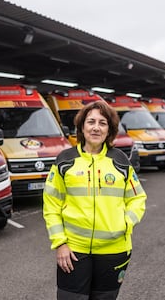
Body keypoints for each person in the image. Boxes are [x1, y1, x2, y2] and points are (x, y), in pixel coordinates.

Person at [43, 100, 147, 300]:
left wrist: (126, 223)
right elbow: (51, 204)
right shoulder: (65, 160)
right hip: (73, 251)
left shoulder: (120, 161)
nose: (96, 128)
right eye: (91, 122)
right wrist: (60, 244)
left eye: (102, 123)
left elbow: (138, 198)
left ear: (110, 130)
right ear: (82, 127)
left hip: (114, 251)